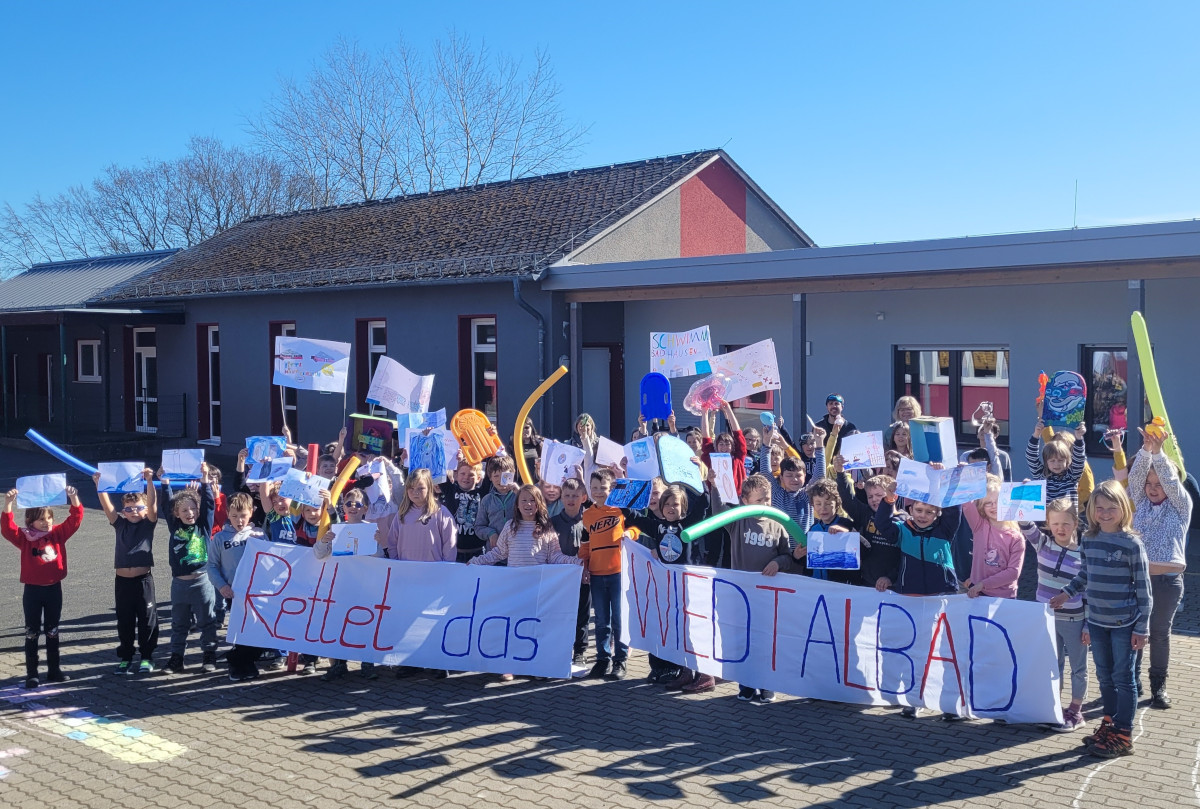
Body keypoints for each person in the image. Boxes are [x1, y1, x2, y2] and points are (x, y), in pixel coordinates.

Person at [1050, 481, 1151, 758]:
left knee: (1124, 678)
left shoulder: (1132, 544)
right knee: (1105, 677)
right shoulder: (1090, 539)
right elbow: (1085, 576)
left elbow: (1144, 590)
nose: (1105, 513)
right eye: (1100, 508)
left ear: (1124, 508)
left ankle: (1123, 734)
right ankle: (1108, 724)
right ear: (1092, 510)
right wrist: (1066, 593)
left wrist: (1141, 627)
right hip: (1097, 621)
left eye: (1112, 508)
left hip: (1124, 624)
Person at [873, 471, 962, 718]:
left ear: (937, 513)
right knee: (914, 650)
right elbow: (882, 523)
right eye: (919, 511)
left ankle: (949, 702)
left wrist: (943, 479)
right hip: (910, 598)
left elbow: (954, 511)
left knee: (941, 652)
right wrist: (889, 499)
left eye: (929, 512)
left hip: (940, 597)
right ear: (911, 510)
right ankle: (914, 699)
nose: (923, 516)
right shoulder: (903, 531)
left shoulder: (945, 530)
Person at [712, 474, 796, 703]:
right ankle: (746, 684)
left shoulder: (778, 524)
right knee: (744, 639)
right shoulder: (738, 521)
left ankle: (767, 684)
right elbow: (718, 513)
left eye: (767, 499)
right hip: (741, 594)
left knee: (766, 640)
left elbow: (787, 557)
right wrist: (715, 485)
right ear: (745, 501)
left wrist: (778, 563)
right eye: (759, 500)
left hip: (768, 595)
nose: (765, 504)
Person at [1127, 426, 1191, 710]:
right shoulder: (1139, 502)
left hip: (1167, 581)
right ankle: (1133, 680)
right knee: (1135, 630)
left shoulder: (1181, 505)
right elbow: (1136, 477)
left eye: (1159, 484)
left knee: (1160, 633)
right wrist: (1146, 451)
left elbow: (1169, 478)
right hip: (1138, 581)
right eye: (1149, 485)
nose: (1153, 489)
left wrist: (1160, 453)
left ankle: (1158, 686)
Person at [3, 485, 83, 688]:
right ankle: (32, 674)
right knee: (31, 632)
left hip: (53, 589)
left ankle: (54, 670)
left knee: (53, 630)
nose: (46, 523)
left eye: (49, 518)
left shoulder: (57, 534)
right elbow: (7, 528)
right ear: (30, 521)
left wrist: (73, 498)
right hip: (32, 591)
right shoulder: (25, 538)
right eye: (41, 520)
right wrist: (8, 503)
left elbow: (75, 519)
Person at [1020, 498, 1088, 731]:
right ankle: (1054, 708)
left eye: (1066, 523)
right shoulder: (1042, 544)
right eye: (1055, 523)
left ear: (1076, 523)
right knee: (1052, 665)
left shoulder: (1083, 554)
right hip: (1046, 619)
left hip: (1074, 620)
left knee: (1078, 667)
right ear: (1048, 523)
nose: (1061, 528)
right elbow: (1023, 520)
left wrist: (1088, 624)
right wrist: (1026, 493)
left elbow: (1088, 593)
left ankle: (1076, 712)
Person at [93, 468, 159, 675]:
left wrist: (149, 481)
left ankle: (147, 657)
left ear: (145, 509)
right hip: (122, 582)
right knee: (125, 620)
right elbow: (107, 506)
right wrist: (99, 485)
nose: (133, 512)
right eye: (128, 509)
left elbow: (153, 504)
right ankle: (126, 657)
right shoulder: (119, 524)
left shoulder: (149, 523)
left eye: (137, 507)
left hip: (143, 581)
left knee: (147, 620)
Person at [579, 468, 640, 680]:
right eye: (594, 488)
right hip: (596, 573)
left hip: (618, 573)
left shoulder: (620, 510)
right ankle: (602, 659)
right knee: (602, 620)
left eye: (603, 488)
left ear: (611, 488)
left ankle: (620, 660)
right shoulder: (587, 515)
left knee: (619, 620)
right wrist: (584, 565)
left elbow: (637, 529)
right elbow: (585, 543)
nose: (598, 492)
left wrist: (629, 533)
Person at [162, 476, 218, 675]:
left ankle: (209, 655)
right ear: (176, 513)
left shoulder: (203, 525)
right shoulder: (174, 526)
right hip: (179, 584)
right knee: (179, 623)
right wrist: (165, 484)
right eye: (184, 510)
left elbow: (209, 505)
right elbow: (166, 503)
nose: (190, 513)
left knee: (206, 621)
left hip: (202, 581)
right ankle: (176, 658)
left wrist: (205, 483)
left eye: (193, 508)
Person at [208, 492, 265, 682]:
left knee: (258, 631)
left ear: (251, 513)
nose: (239, 521)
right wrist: (222, 586)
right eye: (234, 516)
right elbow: (212, 565)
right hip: (234, 594)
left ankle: (240, 659)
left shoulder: (259, 535)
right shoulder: (219, 538)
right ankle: (240, 664)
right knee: (242, 631)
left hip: (257, 593)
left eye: (243, 516)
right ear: (227, 514)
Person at [961, 474, 1025, 599]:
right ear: (981, 507)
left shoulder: (1016, 538)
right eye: (988, 503)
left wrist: (983, 584)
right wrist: (966, 473)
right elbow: (966, 503)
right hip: (977, 594)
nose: (994, 506)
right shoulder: (979, 526)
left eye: (998, 501)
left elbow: (1013, 572)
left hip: (1004, 598)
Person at [550, 478, 591, 666]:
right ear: (561, 497)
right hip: (560, 577)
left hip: (583, 576)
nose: (571, 499)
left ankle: (580, 651)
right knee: (560, 613)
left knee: (582, 614)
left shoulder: (590, 521)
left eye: (575, 496)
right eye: (567, 495)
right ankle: (561, 648)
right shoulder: (553, 523)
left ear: (583, 498)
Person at [1026, 419, 1087, 507]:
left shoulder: (1072, 476)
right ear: (1046, 461)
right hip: (1046, 520)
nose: (1056, 464)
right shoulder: (1041, 476)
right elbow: (1031, 456)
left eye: (1060, 460)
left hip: (1066, 519)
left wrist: (1079, 437)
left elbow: (1079, 459)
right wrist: (1036, 434)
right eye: (1052, 460)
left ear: (1067, 460)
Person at [441, 459, 486, 564]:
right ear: (456, 475)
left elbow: (491, 473)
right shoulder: (450, 491)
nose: (466, 477)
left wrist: (495, 454)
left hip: (478, 552)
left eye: (471, 475)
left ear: (478, 478)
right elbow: (439, 470)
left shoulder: (483, 492)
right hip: (454, 552)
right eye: (462, 473)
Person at [475, 456, 519, 549]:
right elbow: (479, 527)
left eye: (505, 475)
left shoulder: (519, 496)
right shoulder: (487, 500)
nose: (500, 480)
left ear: (512, 474)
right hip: (494, 552)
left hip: (517, 551)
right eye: (496, 476)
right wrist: (490, 533)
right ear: (490, 477)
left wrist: (520, 494)